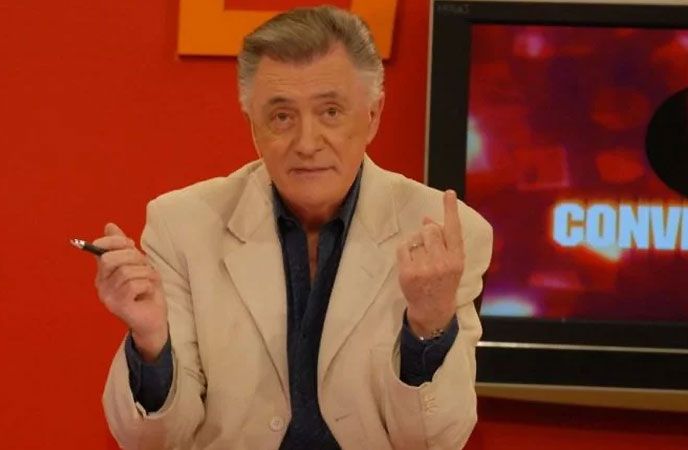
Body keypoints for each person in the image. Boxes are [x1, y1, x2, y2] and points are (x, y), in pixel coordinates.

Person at [95, 5, 492, 450]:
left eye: (331, 112)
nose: (306, 144)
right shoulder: (183, 226)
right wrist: (151, 341)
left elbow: (437, 441)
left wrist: (430, 324)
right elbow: (148, 441)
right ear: (252, 125)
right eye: (282, 117)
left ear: (373, 115)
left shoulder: (446, 234)